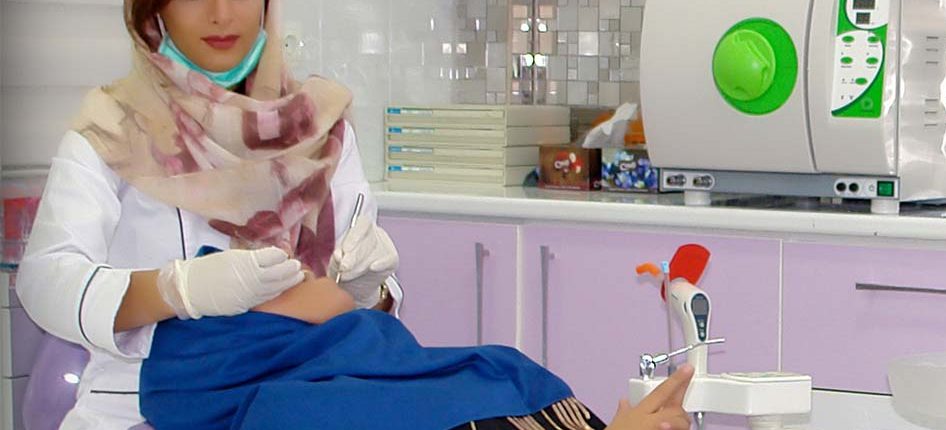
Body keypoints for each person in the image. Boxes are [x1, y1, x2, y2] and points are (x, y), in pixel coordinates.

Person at [15, 0, 693, 429]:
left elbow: (355, 294)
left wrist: (373, 287)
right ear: (152, 11)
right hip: (154, 402)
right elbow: (46, 282)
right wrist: (179, 290)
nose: (222, 13)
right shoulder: (113, 129)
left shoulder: (317, 125)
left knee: (496, 370)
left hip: (324, 368)